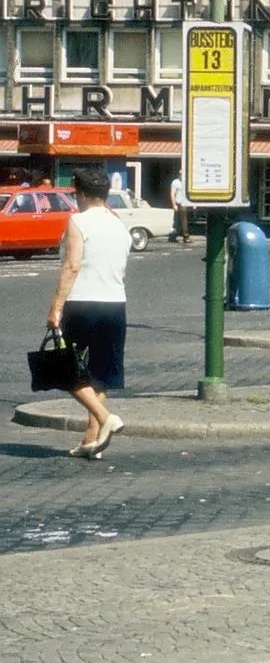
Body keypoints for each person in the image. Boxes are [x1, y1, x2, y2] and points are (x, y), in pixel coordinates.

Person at [48, 166, 131, 459]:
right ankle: (91, 440)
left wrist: (56, 306)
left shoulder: (78, 221)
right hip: (115, 303)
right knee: (102, 373)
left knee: (65, 371)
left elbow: (72, 265)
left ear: (80, 194)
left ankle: (105, 417)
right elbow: (122, 272)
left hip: (83, 302)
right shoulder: (118, 224)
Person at [168, 173, 191, 244]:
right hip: (180, 203)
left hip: (186, 202)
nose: (181, 176)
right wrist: (174, 204)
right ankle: (185, 236)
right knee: (183, 220)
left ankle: (174, 236)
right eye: (180, 174)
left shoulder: (187, 181)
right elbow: (172, 194)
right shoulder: (175, 182)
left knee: (178, 220)